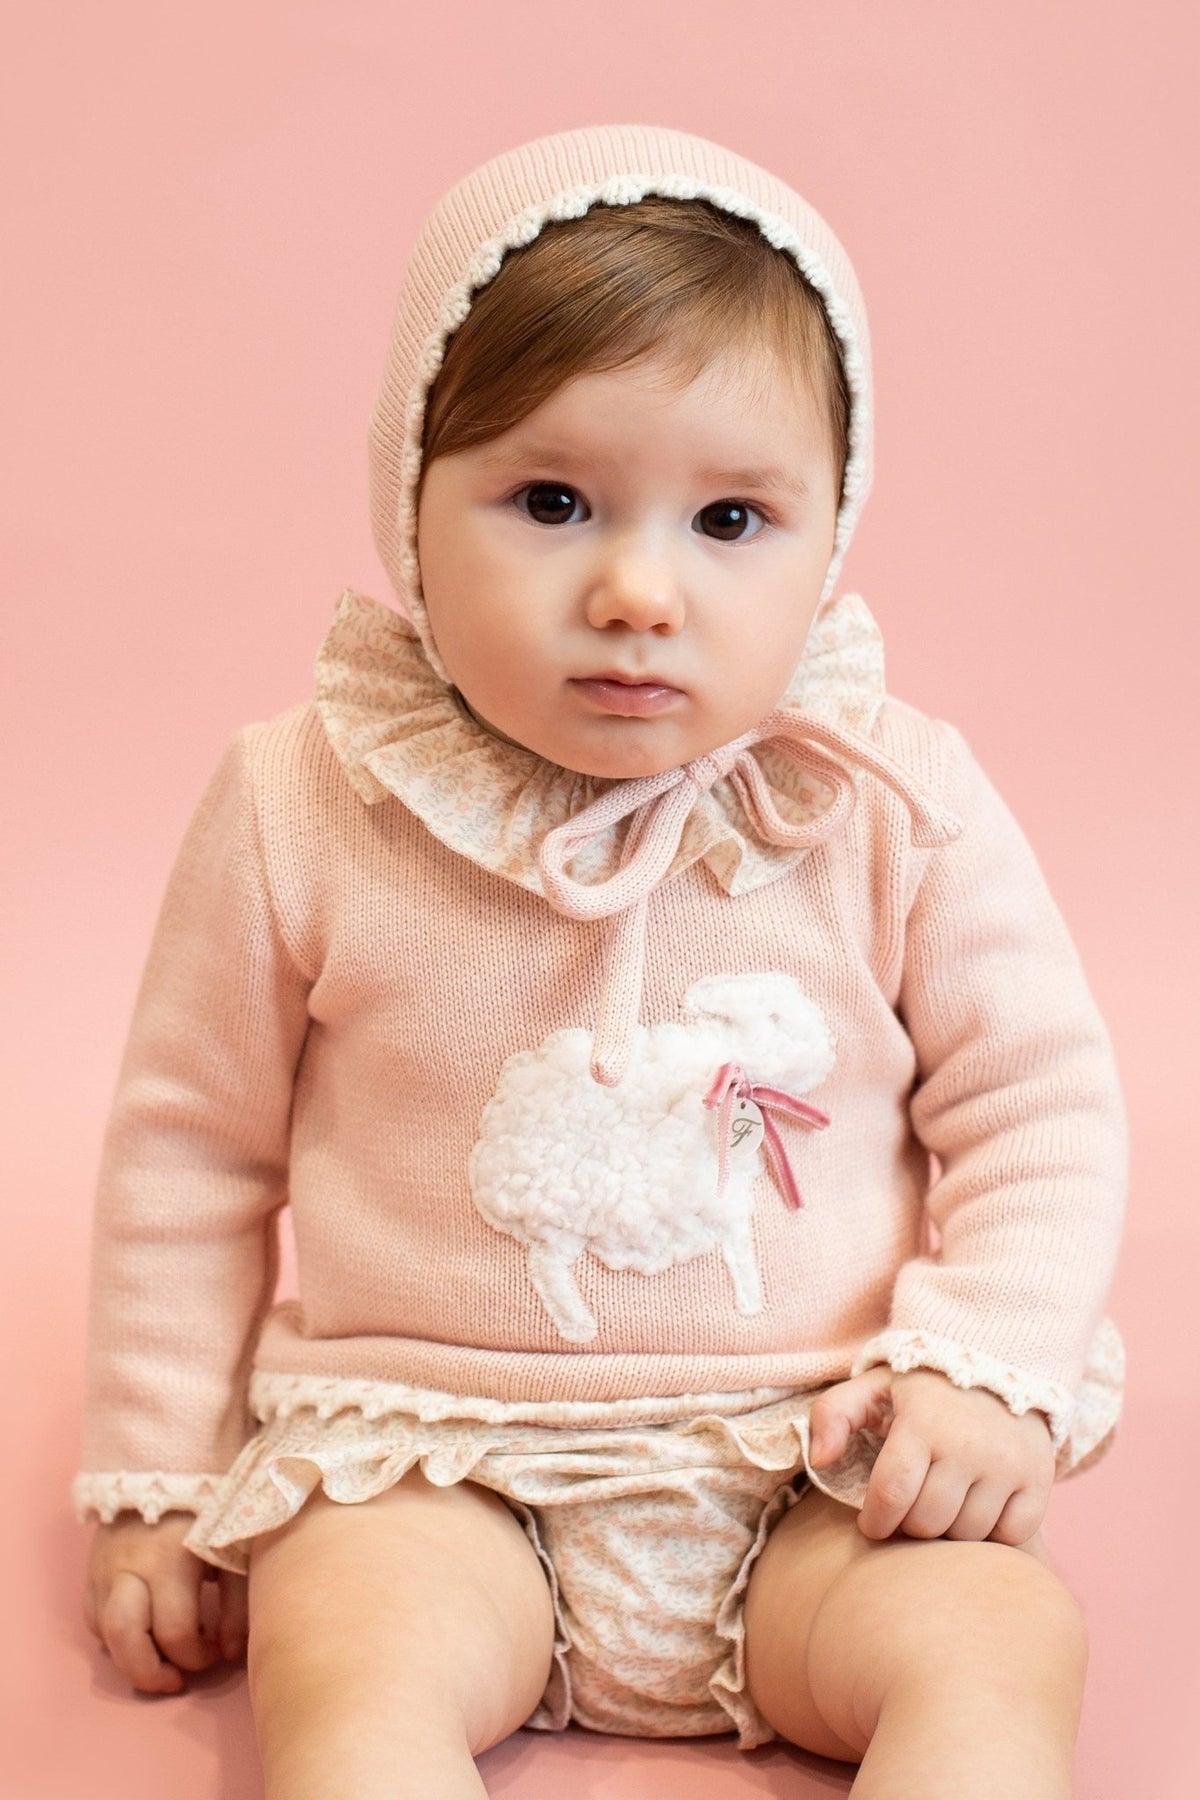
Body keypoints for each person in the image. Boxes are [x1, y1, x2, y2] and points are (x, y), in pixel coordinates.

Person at [74, 124, 1128, 1797]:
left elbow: (1041, 1100)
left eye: (732, 518)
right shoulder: (304, 799)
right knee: (344, 1665)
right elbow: (191, 1152)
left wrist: (987, 1361)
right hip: (433, 1463)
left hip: (820, 1457)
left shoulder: (887, 798)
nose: (641, 590)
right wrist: (157, 1473)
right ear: (410, 499)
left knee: (996, 1641)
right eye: (553, 502)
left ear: (831, 533)